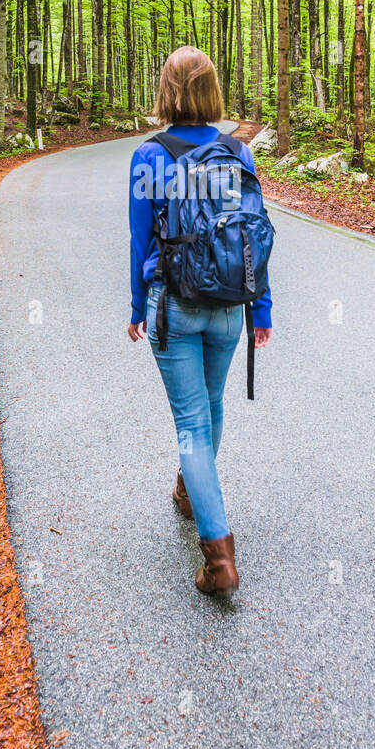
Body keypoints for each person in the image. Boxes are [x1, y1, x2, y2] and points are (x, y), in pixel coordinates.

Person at [127, 46, 272, 597]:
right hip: (229, 308)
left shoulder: (150, 157)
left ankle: (219, 558)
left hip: (175, 304)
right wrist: (261, 308)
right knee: (210, 409)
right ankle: (190, 489)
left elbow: (140, 238)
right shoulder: (239, 152)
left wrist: (138, 306)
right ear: (212, 91)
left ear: (167, 91)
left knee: (191, 423)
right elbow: (252, 237)